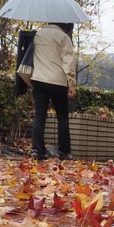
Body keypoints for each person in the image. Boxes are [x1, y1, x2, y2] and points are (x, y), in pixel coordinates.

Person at [30, 22, 76, 160]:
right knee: (62, 116)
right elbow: (69, 62)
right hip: (57, 81)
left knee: (39, 115)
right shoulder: (63, 37)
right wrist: (72, 84)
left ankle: (38, 150)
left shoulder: (37, 35)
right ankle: (64, 151)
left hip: (38, 79)